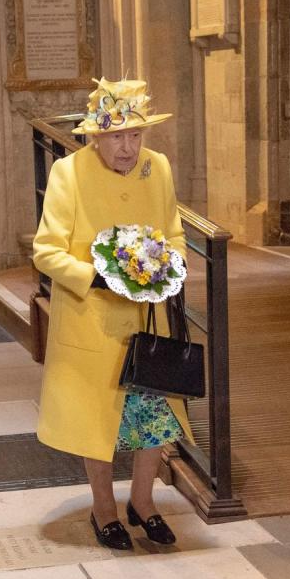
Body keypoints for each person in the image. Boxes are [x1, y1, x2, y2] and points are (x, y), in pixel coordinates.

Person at [33, 77, 192, 550]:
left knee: (153, 417)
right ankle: (104, 509)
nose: (129, 147)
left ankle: (143, 503)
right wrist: (99, 277)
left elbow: (174, 234)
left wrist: (171, 266)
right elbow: (46, 252)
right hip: (92, 320)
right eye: (118, 136)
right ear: (95, 137)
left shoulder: (157, 168)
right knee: (96, 423)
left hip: (147, 320)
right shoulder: (69, 173)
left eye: (136, 135)